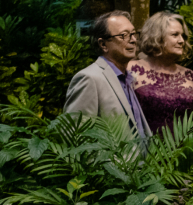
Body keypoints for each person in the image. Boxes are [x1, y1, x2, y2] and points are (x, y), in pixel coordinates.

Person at [64, 10, 150, 138]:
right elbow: (75, 139)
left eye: (133, 34)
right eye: (124, 35)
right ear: (103, 44)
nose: (133, 40)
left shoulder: (128, 78)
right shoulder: (89, 79)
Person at [128, 12, 193, 134]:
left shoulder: (191, 77)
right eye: (175, 35)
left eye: (183, 36)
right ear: (157, 37)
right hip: (143, 149)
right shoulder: (131, 69)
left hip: (184, 150)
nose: (182, 40)